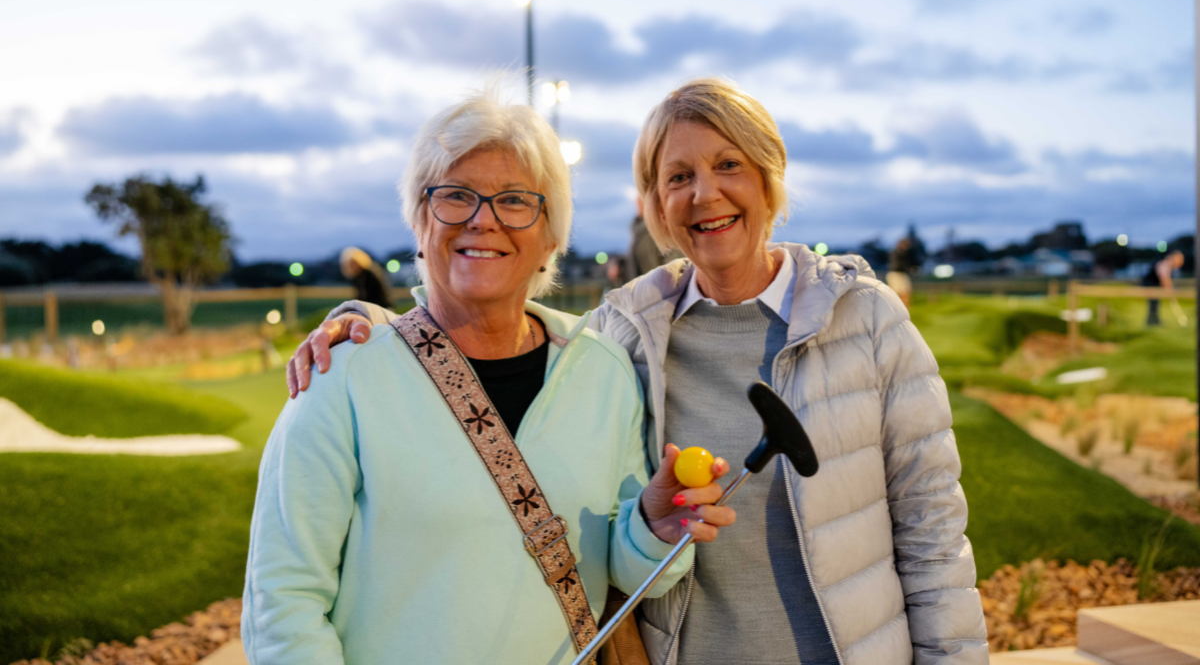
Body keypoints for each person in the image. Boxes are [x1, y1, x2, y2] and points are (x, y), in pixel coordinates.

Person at [292, 78, 987, 664]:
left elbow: (932, 537)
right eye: (677, 177)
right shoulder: (628, 332)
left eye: (729, 166)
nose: (704, 195)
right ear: (653, 203)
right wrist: (372, 323)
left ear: (770, 180)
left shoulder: (867, 321)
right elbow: (470, 329)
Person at [246, 92, 735, 665]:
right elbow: (282, 606)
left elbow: (623, 572)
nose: (484, 219)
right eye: (455, 196)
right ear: (418, 219)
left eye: (514, 201)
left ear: (551, 236)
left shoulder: (602, 370)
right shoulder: (342, 376)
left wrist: (656, 524)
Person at [625, 197, 682, 282]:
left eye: (641, 200)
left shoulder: (662, 228)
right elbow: (635, 264)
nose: (637, 205)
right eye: (637, 201)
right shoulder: (638, 232)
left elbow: (675, 262)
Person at [1142, 249, 1186, 326]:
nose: (1181, 262)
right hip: (1150, 282)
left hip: (1155, 282)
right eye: (1180, 259)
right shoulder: (1167, 262)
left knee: (1156, 301)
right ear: (1175, 257)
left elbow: (1167, 278)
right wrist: (1169, 289)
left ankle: (1154, 320)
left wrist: (1169, 288)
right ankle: (1152, 321)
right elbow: (1164, 277)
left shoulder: (1169, 263)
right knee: (1153, 301)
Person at [887, 237, 917, 308]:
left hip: (900, 274)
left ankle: (903, 311)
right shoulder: (897, 253)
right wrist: (909, 269)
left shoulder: (902, 253)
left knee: (905, 294)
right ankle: (897, 311)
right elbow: (897, 266)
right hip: (897, 274)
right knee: (898, 295)